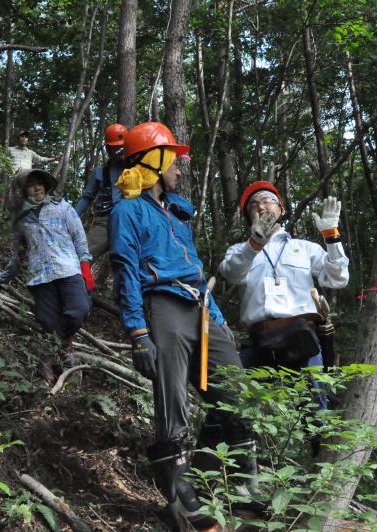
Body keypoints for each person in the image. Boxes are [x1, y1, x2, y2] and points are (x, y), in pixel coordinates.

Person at [109, 122, 255, 530]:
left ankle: (247, 502)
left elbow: (196, 269)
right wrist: (137, 332)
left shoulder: (178, 212)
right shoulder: (128, 210)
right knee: (172, 411)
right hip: (164, 307)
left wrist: (220, 323)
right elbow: (125, 271)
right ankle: (187, 512)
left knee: (237, 399)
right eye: (172, 157)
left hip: (201, 308)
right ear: (152, 161)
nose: (180, 166)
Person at [218, 181, 349, 398]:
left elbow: (339, 278)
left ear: (282, 209)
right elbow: (231, 273)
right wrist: (254, 244)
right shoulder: (239, 251)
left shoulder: (304, 248)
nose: (261, 206)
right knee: (241, 406)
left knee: (313, 412)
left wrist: (331, 235)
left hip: (301, 337)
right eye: (253, 204)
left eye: (267, 200)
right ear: (249, 216)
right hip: (258, 340)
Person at [0, 169, 94, 383]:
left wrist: (85, 266)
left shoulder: (63, 208)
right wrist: (4, 277)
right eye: (31, 185)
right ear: (25, 191)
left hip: (68, 269)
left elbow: (79, 237)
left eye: (40, 183)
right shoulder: (21, 220)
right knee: (48, 322)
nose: (37, 187)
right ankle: (64, 358)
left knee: (79, 310)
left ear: (46, 186)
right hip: (40, 276)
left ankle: (51, 354)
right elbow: (18, 254)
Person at [74, 124, 127, 264]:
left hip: (129, 221)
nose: (119, 151)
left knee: (129, 262)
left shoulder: (136, 169)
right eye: (115, 148)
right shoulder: (99, 172)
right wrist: (71, 216)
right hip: (105, 222)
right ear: (109, 149)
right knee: (83, 258)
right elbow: (87, 197)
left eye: (121, 148)